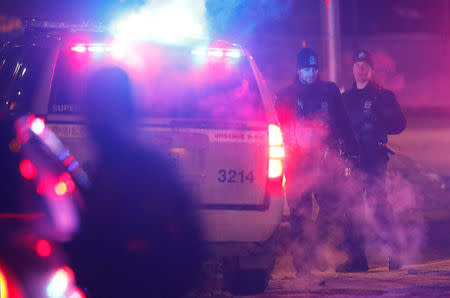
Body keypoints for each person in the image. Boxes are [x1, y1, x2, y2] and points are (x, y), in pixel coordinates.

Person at [68, 67, 206, 297]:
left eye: (97, 108)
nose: (91, 118)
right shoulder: (113, 163)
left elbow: (187, 245)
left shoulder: (135, 165)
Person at [276, 48, 358, 273]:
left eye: (313, 68)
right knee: (299, 214)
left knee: (330, 208)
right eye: (306, 69)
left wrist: (351, 149)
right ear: (298, 70)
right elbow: (279, 127)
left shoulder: (329, 91)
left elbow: (342, 121)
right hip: (297, 165)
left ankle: (317, 249)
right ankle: (302, 262)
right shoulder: (286, 95)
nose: (310, 73)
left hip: (324, 162)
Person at [340, 49, 406, 272]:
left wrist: (380, 118)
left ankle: (394, 256)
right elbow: (337, 128)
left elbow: (399, 124)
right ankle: (357, 260)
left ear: (371, 70)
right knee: (352, 209)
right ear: (352, 69)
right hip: (353, 161)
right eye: (357, 64)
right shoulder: (345, 98)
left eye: (364, 65)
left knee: (379, 206)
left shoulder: (382, 96)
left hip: (375, 159)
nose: (360, 68)